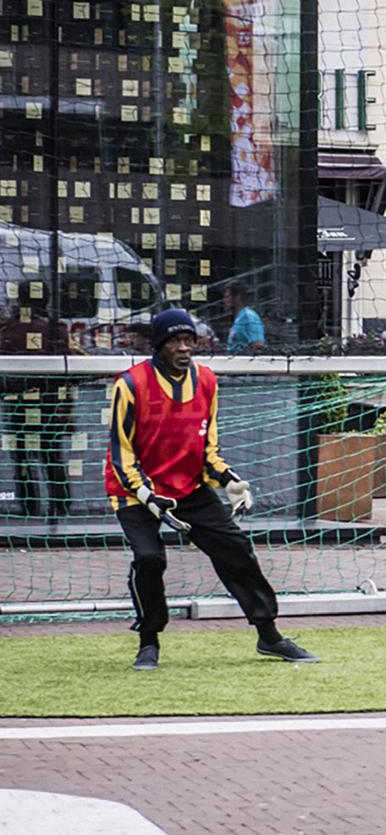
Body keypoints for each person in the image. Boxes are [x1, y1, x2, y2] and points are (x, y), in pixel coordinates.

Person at [105, 307, 318, 671]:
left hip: (188, 486)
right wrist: (147, 497)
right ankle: (149, 641)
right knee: (149, 558)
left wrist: (230, 479)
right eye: (175, 340)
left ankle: (269, 636)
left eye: (189, 340)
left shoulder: (207, 381)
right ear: (159, 345)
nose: (185, 347)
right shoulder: (131, 385)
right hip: (136, 491)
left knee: (235, 548)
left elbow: (208, 450)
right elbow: (120, 455)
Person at [0, 281, 78, 522]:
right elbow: (74, 366)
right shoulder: (55, 329)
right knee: (52, 456)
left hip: (18, 406)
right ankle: (60, 506)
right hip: (50, 405)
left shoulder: (8, 330)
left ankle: (29, 506)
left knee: (22, 458)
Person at [223, 284, 266, 354]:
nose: (225, 301)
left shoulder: (249, 317)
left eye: (227, 297)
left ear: (237, 297)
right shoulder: (238, 318)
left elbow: (258, 346)